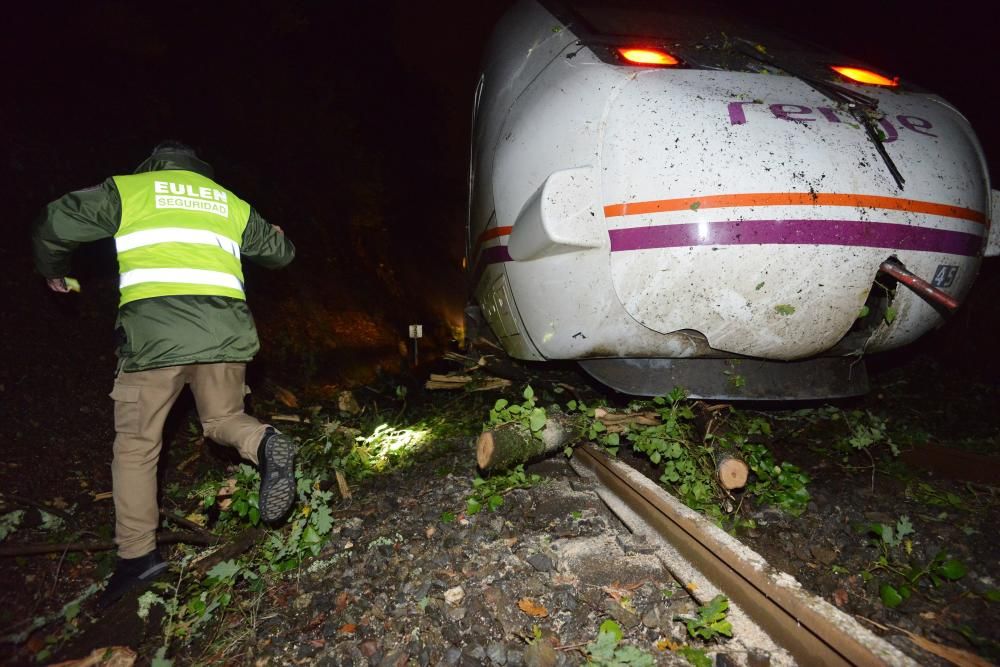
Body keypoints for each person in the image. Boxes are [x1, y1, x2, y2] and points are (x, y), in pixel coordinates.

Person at [32, 141, 298, 607]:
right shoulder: (227, 201)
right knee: (221, 423)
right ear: (200, 168)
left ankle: (138, 559)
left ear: (153, 166)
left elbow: (55, 220)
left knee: (137, 447)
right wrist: (274, 233)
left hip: (155, 339)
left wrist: (54, 269)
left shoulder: (129, 191)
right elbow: (281, 253)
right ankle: (265, 442)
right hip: (225, 334)